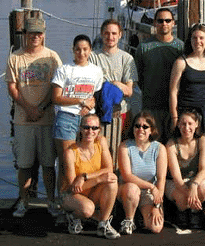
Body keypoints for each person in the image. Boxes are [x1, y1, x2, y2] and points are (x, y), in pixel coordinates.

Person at [6, 18, 62, 217]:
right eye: (32, 33)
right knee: (24, 165)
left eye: (39, 33)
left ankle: (51, 201)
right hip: (23, 120)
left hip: (47, 119)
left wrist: (42, 107)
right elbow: (12, 87)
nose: (35, 36)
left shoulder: (52, 57)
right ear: (25, 34)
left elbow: (58, 85)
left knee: (48, 164)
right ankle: (24, 200)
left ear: (44, 34)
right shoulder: (15, 57)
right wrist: (29, 108)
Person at [52, 34, 104, 192]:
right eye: (78, 50)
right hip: (66, 118)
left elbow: (95, 96)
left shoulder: (96, 71)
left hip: (88, 121)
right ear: (73, 50)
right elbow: (56, 98)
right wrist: (80, 101)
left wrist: (89, 105)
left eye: (85, 49)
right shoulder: (64, 70)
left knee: (88, 160)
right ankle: (63, 202)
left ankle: (83, 198)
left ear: (90, 51)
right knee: (65, 163)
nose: (81, 53)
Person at [61, 114, 120, 239]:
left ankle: (103, 224)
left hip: (92, 191)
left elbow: (109, 169)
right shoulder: (70, 152)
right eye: (86, 127)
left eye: (94, 128)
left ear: (99, 130)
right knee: (88, 209)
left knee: (112, 180)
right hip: (72, 196)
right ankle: (73, 216)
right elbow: (73, 188)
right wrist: (98, 179)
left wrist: (85, 176)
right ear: (80, 129)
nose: (90, 131)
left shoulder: (101, 142)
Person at [89, 19, 138, 160]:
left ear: (120, 35)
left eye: (114, 33)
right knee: (98, 153)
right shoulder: (93, 57)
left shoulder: (127, 59)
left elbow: (129, 91)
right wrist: (116, 85)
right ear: (101, 34)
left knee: (119, 154)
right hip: (98, 112)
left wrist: (112, 83)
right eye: (107, 33)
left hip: (120, 113)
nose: (110, 37)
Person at [135, 8, 184, 144]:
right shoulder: (144, 47)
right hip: (150, 106)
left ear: (173, 23)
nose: (164, 24)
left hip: (173, 108)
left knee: (172, 144)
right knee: (151, 145)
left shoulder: (181, 47)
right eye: (160, 21)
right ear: (155, 23)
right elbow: (138, 76)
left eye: (168, 20)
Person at [117, 110, 167, 234]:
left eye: (145, 126)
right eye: (137, 126)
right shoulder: (125, 146)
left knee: (156, 227)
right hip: (128, 190)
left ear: (151, 130)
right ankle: (129, 220)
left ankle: (141, 215)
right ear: (133, 128)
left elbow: (161, 179)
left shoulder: (159, 148)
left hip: (148, 194)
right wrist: (151, 186)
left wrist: (156, 206)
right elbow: (127, 176)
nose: (141, 129)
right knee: (132, 189)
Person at [170, 23, 205, 143]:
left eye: (201, 38)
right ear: (190, 40)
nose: (198, 41)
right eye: (194, 38)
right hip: (186, 112)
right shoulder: (181, 62)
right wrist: (174, 117)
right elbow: (173, 92)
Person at [165, 109, 205, 228]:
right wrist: (190, 193)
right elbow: (176, 178)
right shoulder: (171, 144)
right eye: (183, 124)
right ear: (178, 125)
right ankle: (182, 212)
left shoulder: (203, 141)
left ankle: (194, 212)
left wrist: (194, 186)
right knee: (181, 196)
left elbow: (204, 170)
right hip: (176, 182)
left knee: (204, 186)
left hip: (194, 180)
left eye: (190, 124)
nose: (186, 127)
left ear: (196, 124)